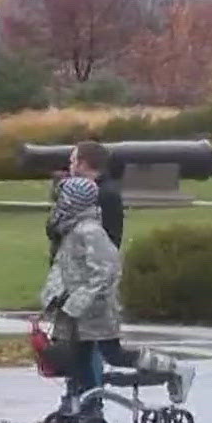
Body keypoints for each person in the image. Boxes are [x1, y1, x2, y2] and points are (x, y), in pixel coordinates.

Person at [41, 176, 194, 411]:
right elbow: (66, 269)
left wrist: (77, 301)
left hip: (97, 310)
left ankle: (174, 368)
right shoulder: (72, 230)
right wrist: (55, 298)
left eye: (63, 199)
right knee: (80, 356)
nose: (58, 204)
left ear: (74, 202)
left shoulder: (90, 231)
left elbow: (106, 270)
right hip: (77, 310)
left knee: (114, 354)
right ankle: (86, 400)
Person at [51, 140, 123, 252]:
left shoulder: (106, 194)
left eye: (73, 162)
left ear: (83, 164)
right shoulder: (73, 189)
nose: (70, 167)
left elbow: (110, 237)